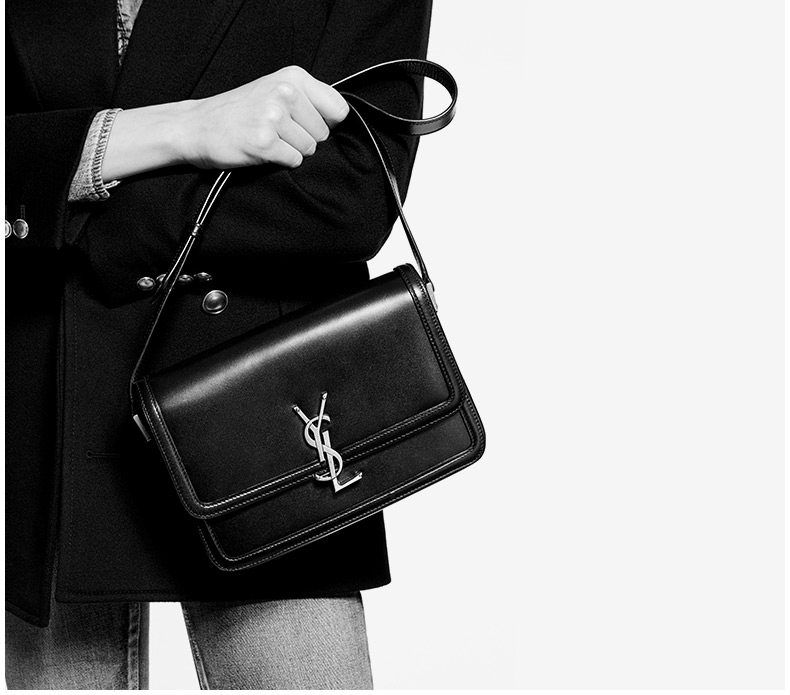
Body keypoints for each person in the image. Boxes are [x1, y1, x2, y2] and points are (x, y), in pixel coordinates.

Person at [5, 0, 432, 688]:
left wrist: (77, 209)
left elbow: (352, 190)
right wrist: (189, 128)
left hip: (271, 423)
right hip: (39, 411)